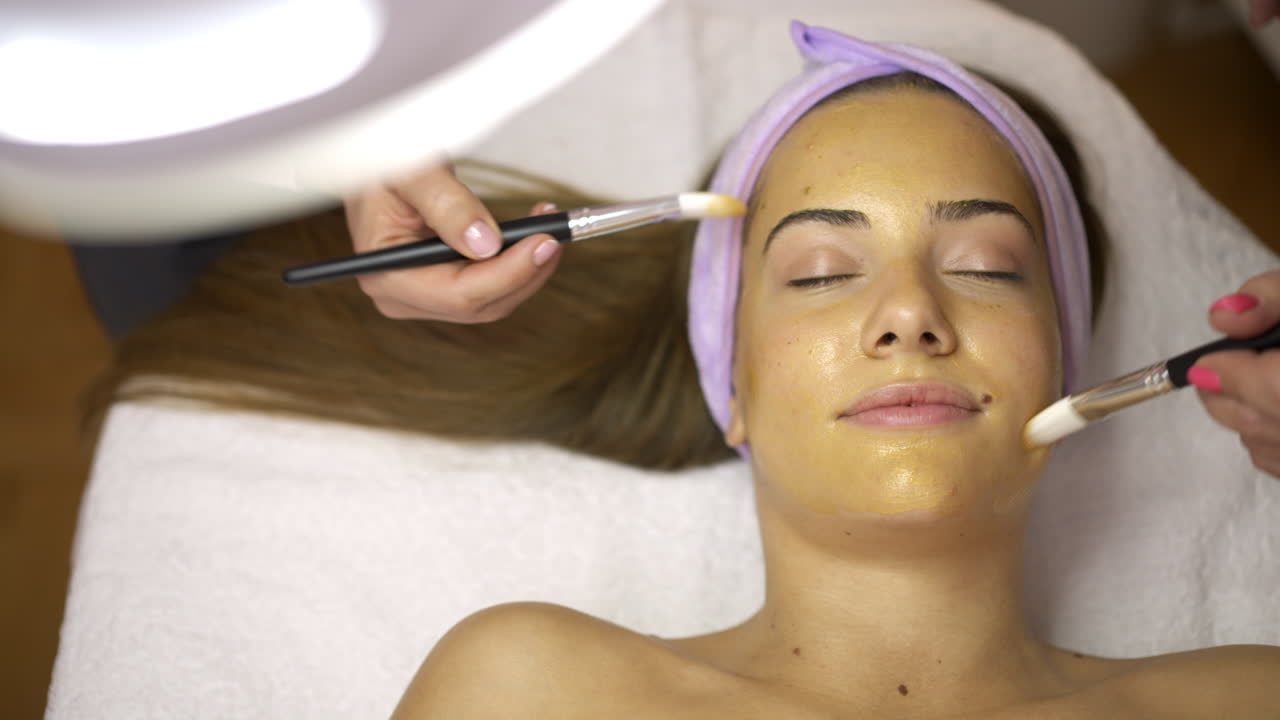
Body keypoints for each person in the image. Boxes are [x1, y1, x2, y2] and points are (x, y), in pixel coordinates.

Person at [375, 26, 1280, 718]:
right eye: (819, 274)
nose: (909, 313)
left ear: (1062, 365)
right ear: (731, 385)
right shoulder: (534, 692)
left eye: (985, 266)